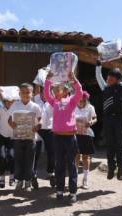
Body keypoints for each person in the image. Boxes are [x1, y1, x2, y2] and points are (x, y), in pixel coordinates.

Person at [44, 72, 83, 203]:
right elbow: (46, 94)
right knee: (59, 165)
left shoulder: (71, 101)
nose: (55, 90)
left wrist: (74, 80)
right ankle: (59, 190)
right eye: (55, 89)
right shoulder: (54, 102)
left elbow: (79, 93)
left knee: (71, 165)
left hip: (70, 137)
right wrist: (48, 80)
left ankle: (72, 192)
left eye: (58, 88)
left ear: (66, 91)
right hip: (57, 137)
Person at [96, 53, 122, 180]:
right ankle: (111, 168)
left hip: (119, 119)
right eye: (107, 78)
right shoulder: (105, 88)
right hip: (107, 119)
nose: (107, 80)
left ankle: (121, 168)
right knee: (110, 144)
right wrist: (98, 63)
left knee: (119, 145)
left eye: (110, 78)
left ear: (117, 79)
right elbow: (98, 75)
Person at [8, 83, 42, 192]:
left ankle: (28, 182)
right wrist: (11, 124)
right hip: (18, 138)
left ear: (32, 94)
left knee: (29, 160)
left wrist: (38, 126)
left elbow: (41, 120)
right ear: (19, 93)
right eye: (23, 92)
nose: (25, 94)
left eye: (28, 92)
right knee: (18, 160)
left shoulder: (35, 106)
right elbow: (9, 119)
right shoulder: (15, 105)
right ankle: (19, 181)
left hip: (31, 138)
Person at [75, 91, 97, 189]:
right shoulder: (73, 106)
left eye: (83, 100)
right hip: (75, 134)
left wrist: (91, 122)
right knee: (75, 156)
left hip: (86, 134)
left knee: (85, 157)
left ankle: (85, 179)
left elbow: (95, 118)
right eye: (79, 100)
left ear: (86, 100)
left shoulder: (90, 107)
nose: (81, 102)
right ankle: (74, 178)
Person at [33, 91, 55, 189]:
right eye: (44, 94)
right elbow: (37, 83)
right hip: (37, 130)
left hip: (50, 130)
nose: (46, 96)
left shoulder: (53, 101)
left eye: (48, 94)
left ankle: (51, 173)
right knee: (35, 153)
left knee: (52, 152)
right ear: (41, 94)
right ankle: (33, 175)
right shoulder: (36, 100)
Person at [0, 97, 15, 188]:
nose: (9, 103)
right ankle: (2, 178)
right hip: (1, 136)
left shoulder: (15, 109)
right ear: (4, 102)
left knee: (12, 156)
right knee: (2, 156)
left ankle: (12, 176)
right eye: (7, 101)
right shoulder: (1, 109)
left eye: (11, 101)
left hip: (12, 137)